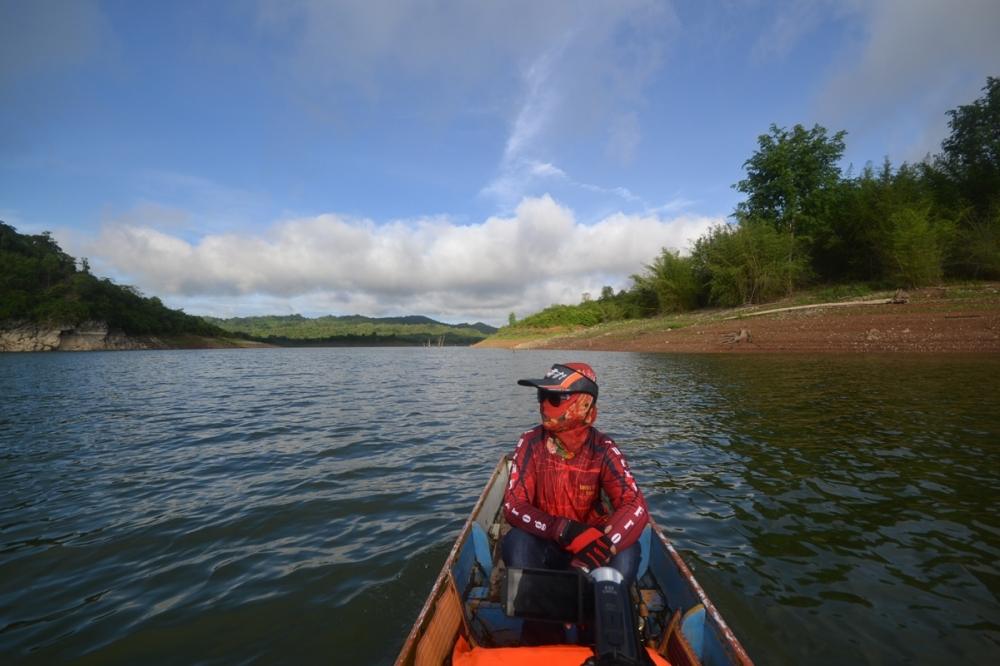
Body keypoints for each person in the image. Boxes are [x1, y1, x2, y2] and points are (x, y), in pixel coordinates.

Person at [502, 362, 649, 589]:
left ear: (585, 405)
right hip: (547, 541)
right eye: (541, 395)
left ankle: (603, 616)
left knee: (628, 552)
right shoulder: (530, 442)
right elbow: (513, 505)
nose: (543, 404)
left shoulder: (604, 448)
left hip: (592, 546)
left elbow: (635, 505)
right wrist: (561, 528)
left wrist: (602, 546)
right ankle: (536, 617)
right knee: (516, 542)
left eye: (553, 398)